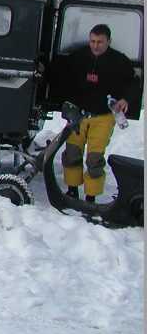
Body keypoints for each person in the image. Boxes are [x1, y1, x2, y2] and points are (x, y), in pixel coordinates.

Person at [59, 24, 137, 203]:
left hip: (103, 117)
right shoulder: (78, 57)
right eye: (92, 41)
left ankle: (90, 197)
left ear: (108, 41)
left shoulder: (119, 61)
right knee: (72, 153)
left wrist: (126, 99)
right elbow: (60, 75)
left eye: (100, 42)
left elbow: (134, 82)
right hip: (78, 115)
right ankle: (72, 191)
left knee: (95, 159)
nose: (95, 45)